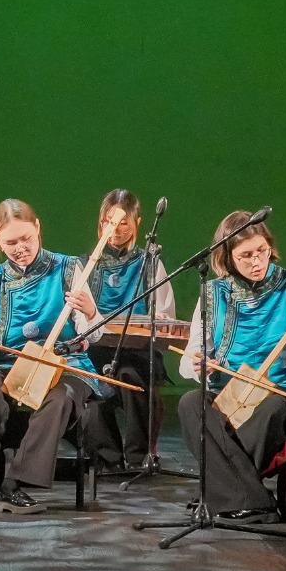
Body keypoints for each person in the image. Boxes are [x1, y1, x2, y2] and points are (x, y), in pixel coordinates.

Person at [178, 211, 286, 523]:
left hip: (285, 392)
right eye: (246, 256)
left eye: (262, 251)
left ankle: (218, 493)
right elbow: (189, 358)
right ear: (228, 257)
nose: (257, 261)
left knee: (271, 408)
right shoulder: (212, 293)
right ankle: (254, 500)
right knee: (190, 403)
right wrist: (198, 365)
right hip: (229, 393)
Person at [0, 199, 104, 515]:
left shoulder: (68, 268)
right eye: (11, 243)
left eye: (26, 238)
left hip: (66, 365)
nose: (20, 248)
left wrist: (91, 312)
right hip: (13, 365)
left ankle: (14, 485)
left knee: (60, 396)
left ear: (38, 228)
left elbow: (92, 336)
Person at [86, 189, 175, 471]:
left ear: (137, 223)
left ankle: (138, 458)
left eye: (123, 222)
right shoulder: (86, 264)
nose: (116, 229)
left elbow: (165, 313)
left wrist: (160, 319)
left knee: (131, 377)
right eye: (109, 222)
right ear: (101, 223)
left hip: (137, 352)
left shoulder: (150, 262)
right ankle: (108, 459)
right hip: (97, 350)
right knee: (91, 382)